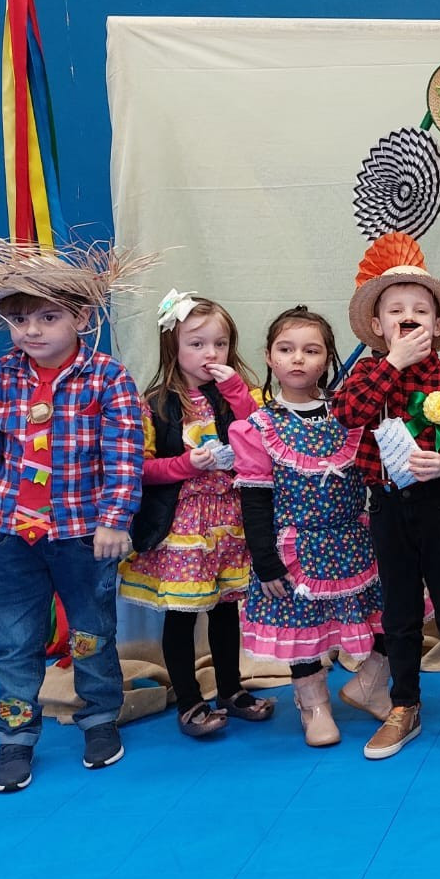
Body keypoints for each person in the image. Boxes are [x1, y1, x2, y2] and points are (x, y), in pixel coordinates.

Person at [0, 236, 146, 794]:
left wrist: (115, 519)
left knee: (92, 631)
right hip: (15, 537)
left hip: (82, 535)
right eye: (20, 319)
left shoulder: (108, 378)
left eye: (48, 317)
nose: (32, 330)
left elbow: (124, 457)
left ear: (81, 318)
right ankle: (15, 737)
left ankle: (99, 718)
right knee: (16, 639)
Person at [333, 233, 440, 764]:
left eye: (420, 311)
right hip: (386, 508)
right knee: (398, 614)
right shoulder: (366, 374)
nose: (408, 317)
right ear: (378, 325)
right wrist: (393, 365)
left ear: (438, 325)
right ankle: (404, 705)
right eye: (396, 310)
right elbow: (347, 414)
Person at [231, 307, 391, 748]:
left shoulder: (351, 414)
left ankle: (371, 683)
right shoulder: (260, 426)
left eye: (311, 350)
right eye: (286, 349)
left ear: (328, 359)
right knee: (303, 633)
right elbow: (255, 501)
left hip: (356, 541)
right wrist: (265, 560)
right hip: (295, 549)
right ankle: (313, 703)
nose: (297, 358)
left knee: (390, 616)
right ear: (269, 357)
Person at [120, 290, 270, 738]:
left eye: (220, 344)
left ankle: (231, 690)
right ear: (173, 346)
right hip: (182, 526)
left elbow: (262, 437)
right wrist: (187, 465)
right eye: (197, 343)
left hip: (229, 521)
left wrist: (236, 390)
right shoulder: (155, 403)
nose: (211, 353)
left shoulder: (239, 395)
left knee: (226, 610)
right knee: (182, 614)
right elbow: (141, 469)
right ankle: (189, 700)